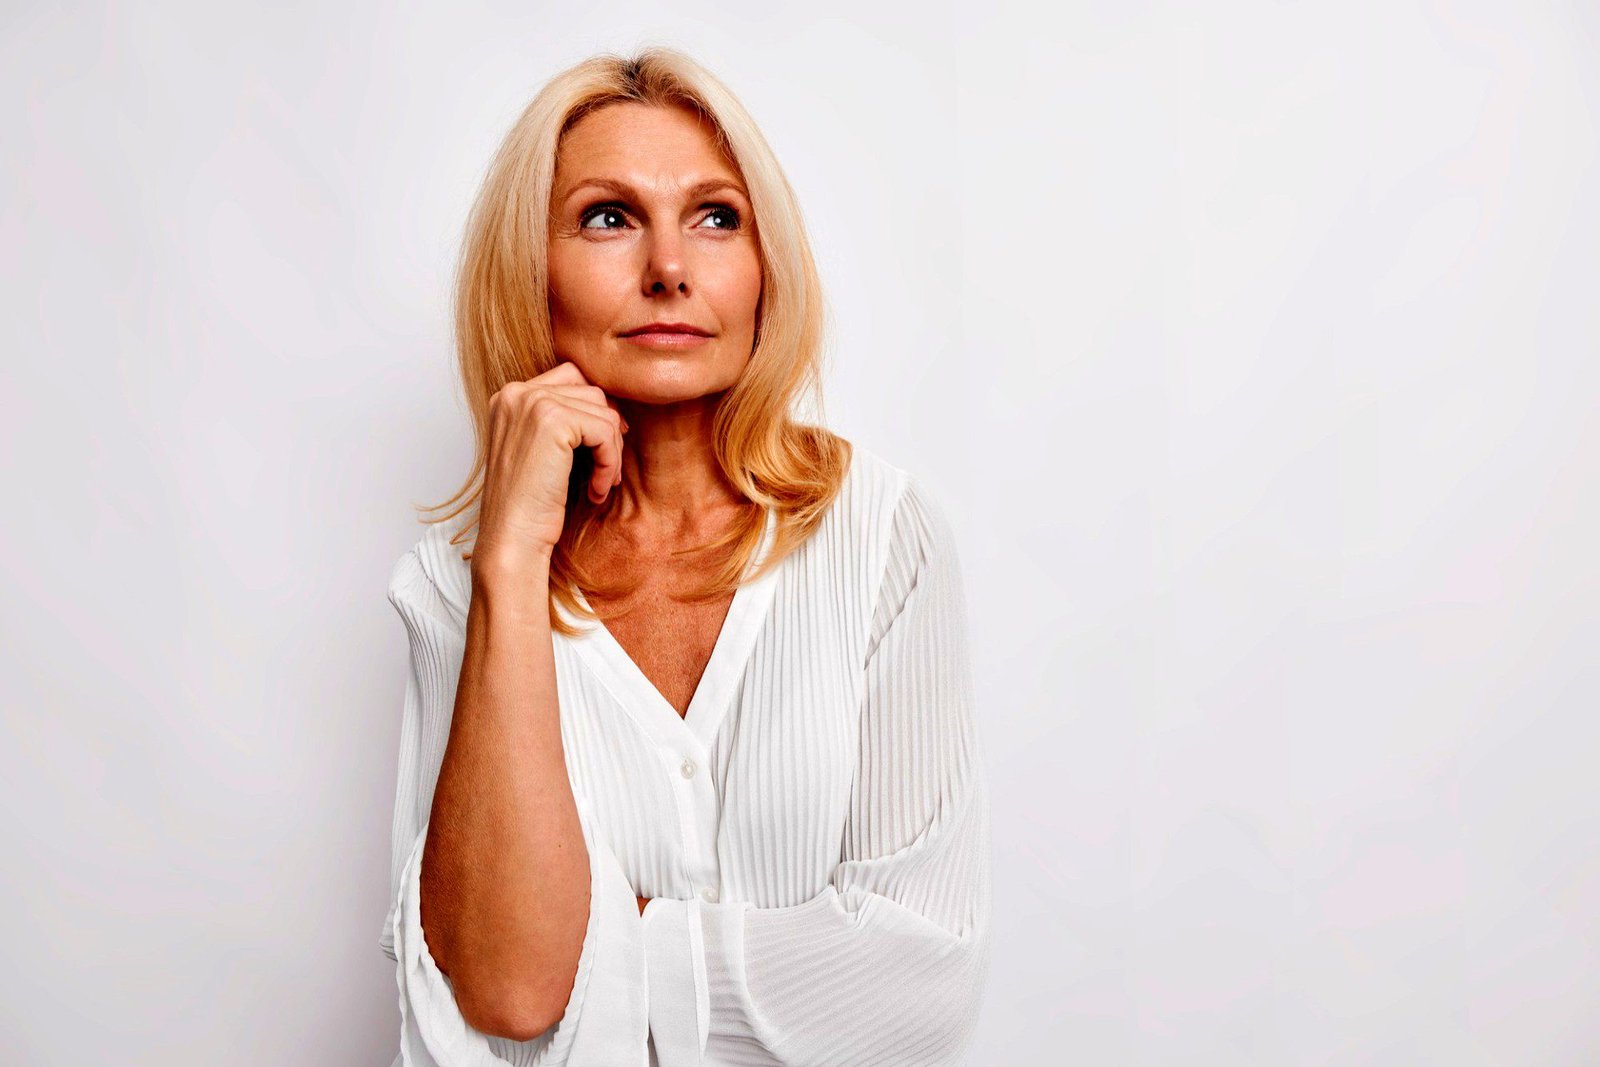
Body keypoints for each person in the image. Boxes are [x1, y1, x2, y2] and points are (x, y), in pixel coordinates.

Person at [379, 46, 992, 1067]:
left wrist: (602, 942)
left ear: (763, 267)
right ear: (530, 270)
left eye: (714, 216)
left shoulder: (883, 538)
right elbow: (503, 987)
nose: (669, 267)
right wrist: (513, 560)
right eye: (607, 216)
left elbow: (921, 980)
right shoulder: (460, 582)